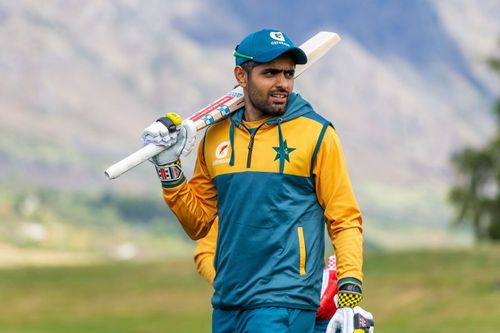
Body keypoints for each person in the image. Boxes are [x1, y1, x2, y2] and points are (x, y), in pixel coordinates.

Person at [142, 28, 374, 333]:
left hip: (285, 300)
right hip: (228, 302)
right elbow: (196, 223)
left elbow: (344, 217)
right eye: (270, 73)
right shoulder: (215, 136)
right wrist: (169, 168)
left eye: (288, 74)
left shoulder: (317, 134)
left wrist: (350, 284)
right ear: (241, 75)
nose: (282, 84)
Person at [194, 219, 340, 332]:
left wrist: (342, 275)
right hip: (251, 306)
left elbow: (345, 221)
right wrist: (235, 283)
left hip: (311, 299)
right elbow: (205, 253)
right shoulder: (229, 189)